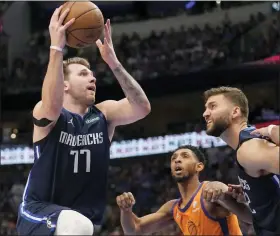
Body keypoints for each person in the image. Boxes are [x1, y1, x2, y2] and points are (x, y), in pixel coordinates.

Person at [16, 6, 151, 236]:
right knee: (78, 225)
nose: (93, 77)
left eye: (92, 74)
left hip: (77, 220)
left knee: (81, 225)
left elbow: (142, 108)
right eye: (83, 74)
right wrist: (57, 47)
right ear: (65, 85)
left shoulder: (103, 115)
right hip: (37, 212)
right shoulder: (48, 113)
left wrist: (114, 64)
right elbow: (51, 105)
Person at [116, 145, 251, 235]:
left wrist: (223, 197)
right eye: (174, 158)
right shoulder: (173, 208)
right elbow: (134, 230)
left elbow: (251, 218)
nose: (177, 160)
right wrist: (126, 210)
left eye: (185, 156)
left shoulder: (213, 188)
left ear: (199, 166)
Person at [203, 86, 280, 235]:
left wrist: (273, 130)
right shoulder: (246, 148)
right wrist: (250, 195)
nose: (205, 113)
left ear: (235, 112)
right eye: (206, 108)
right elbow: (261, 219)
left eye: (213, 106)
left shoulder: (248, 149)